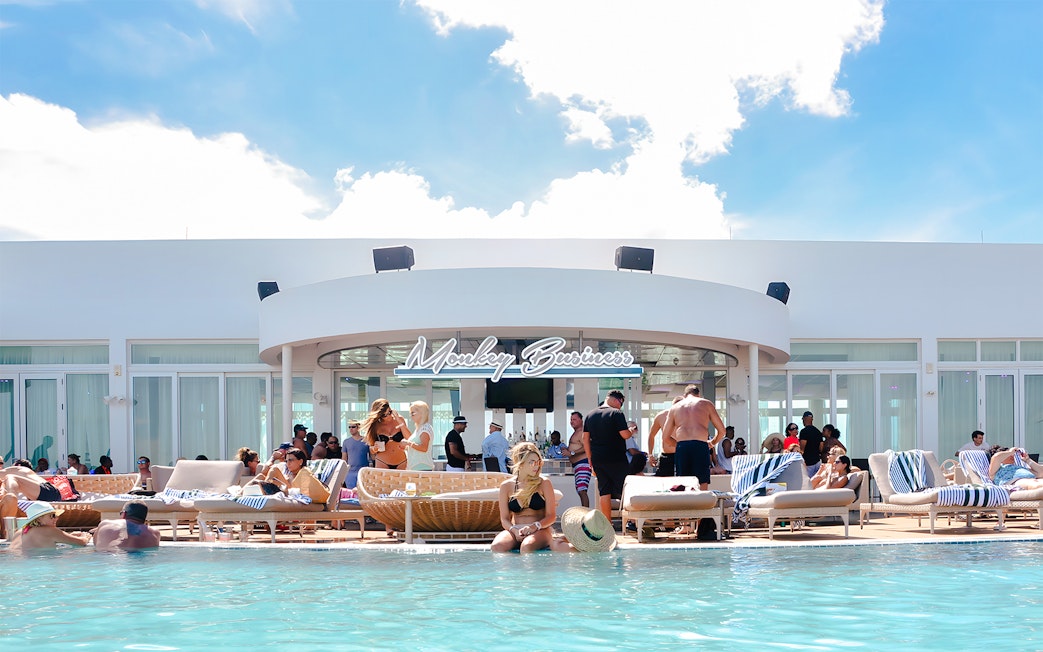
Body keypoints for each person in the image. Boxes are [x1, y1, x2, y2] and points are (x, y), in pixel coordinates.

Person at [490, 442, 565, 553]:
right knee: (497, 546)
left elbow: (551, 516)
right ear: (521, 463)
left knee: (527, 546)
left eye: (538, 462)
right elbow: (504, 519)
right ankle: (510, 570)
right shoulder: (506, 486)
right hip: (516, 529)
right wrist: (514, 530)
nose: (536, 465)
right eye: (532, 462)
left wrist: (534, 526)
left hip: (540, 529)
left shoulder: (543, 483)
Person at [663, 385, 726, 491]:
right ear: (698, 395)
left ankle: (685, 505)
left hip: (682, 446)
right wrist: (712, 443)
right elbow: (722, 431)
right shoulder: (706, 404)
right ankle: (702, 505)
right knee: (702, 481)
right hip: (700, 444)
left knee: (683, 482)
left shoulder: (675, 407)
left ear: (684, 395)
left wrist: (678, 445)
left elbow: (665, 437)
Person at [583, 389, 632, 523]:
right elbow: (625, 435)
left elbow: (585, 438)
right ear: (617, 400)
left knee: (604, 491)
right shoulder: (616, 413)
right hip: (616, 458)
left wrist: (589, 459)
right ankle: (632, 522)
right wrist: (631, 431)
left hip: (598, 459)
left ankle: (607, 523)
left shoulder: (590, 415)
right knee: (625, 489)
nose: (620, 406)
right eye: (621, 403)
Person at [255, 448, 331, 503]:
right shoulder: (286, 472)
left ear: (300, 461)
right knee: (260, 477)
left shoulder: (305, 473)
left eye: (291, 460)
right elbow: (264, 470)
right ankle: (243, 493)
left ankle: (264, 498)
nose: (288, 463)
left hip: (293, 495)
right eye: (286, 461)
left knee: (274, 469)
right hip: (285, 493)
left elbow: (309, 492)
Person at [9, 501, 90, 551]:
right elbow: (81, 542)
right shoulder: (49, 531)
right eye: (52, 516)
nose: (57, 518)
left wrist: (69, 535)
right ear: (39, 519)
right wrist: (85, 536)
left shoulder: (20, 532)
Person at [92, 500, 161, 550]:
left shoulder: (105, 524)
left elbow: (95, 545)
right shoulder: (155, 533)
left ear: (124, 514)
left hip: (109, 562)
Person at [362, 398, 409, 470]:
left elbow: (409, 438)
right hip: (382, 462)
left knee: (402, 481)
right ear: (379, 415)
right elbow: (371, 449)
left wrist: (399, 421)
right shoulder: (376, 426)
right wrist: (375, 449)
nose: (388, 416)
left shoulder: (399, 420)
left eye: (390, 412)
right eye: (384, 415)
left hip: (401, 461)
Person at [648, 397, 682, 477]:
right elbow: (652, 434)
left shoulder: (689, 417)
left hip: (682, 454)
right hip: (666, 456)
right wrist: (650, 454)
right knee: (662, 482)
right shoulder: (661, 416)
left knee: (683, 482)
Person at [1, 464, 73, 501]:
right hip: (49, 493)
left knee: (10, 477)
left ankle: (10, 504)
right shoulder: (24, 479)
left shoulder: (16, 470)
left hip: (48, 491)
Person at [566, 411, 591, 508]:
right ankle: (585, 512)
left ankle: (586, 514)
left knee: (582, 490)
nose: (572, 421)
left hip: (583, 464)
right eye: (571, 420)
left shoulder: (581, 432)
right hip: (578, 465)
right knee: (580, 490)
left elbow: (587, 446)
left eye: (574, 419)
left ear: (581, 420)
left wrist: (571, 453)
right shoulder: (576, 433)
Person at [404, 400, 435, 471]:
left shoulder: (425, 428)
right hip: (415, 467)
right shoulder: (419, 429)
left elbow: (424, 448)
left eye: (413, 413)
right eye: (410, 413)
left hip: (422, 467)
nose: (411, 416)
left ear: (421, 413)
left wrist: (408, 443)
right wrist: (406, 447)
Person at [342, 421, 369, 488]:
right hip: (350, 472)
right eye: (349, 427)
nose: (351, 429)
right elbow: (344, 459)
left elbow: (372, 456)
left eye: (353, 427)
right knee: (351, 493)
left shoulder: (366, 440)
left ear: (358, 428)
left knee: (363, 491)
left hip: (363, 471)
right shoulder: (346, 442)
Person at [799, 411, 824, 477]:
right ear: (812, 419)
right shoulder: (818, 431)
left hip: (808, 462)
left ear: (804, 419)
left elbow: (802, 449)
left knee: (808, 483)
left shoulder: (804, 431)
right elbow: (821, 447)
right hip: (817, 461)